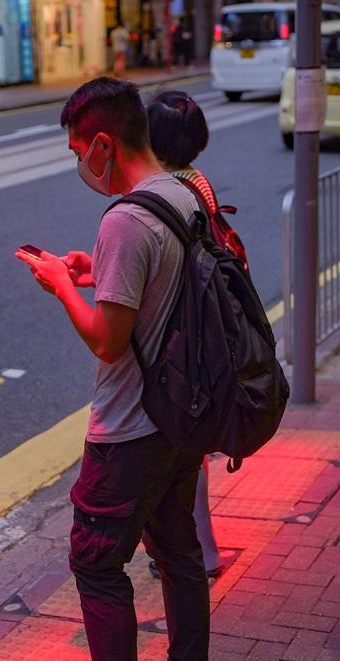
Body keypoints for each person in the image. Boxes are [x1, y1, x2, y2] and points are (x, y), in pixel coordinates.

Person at [17, 78, 221, 661]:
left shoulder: (126, 218)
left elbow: (108, 338)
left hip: (130, 427)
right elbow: (157, 285)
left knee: (96, 563)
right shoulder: (187, 192)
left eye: (80, 150)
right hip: (181, 418)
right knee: (178, 552)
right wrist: (92, 269)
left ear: (104, 144)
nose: (80, 163)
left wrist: (60, 287)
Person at [142, 89, 227, 580]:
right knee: (190, 454)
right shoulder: (198, 181)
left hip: (182, 337)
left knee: (176, 452)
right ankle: (201, 548)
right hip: (204, 329)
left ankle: (193, 553)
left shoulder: (166, 190)